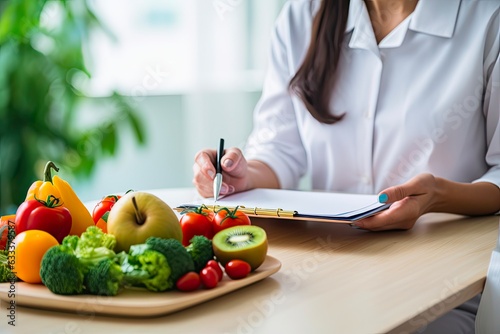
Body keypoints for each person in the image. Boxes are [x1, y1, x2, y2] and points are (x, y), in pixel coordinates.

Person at [193, 0, 500, 332]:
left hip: (446, 283)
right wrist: (243, 175)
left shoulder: (487, 18)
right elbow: (279, 149)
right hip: (324, 273)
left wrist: (438, 196)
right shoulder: (303, 14)